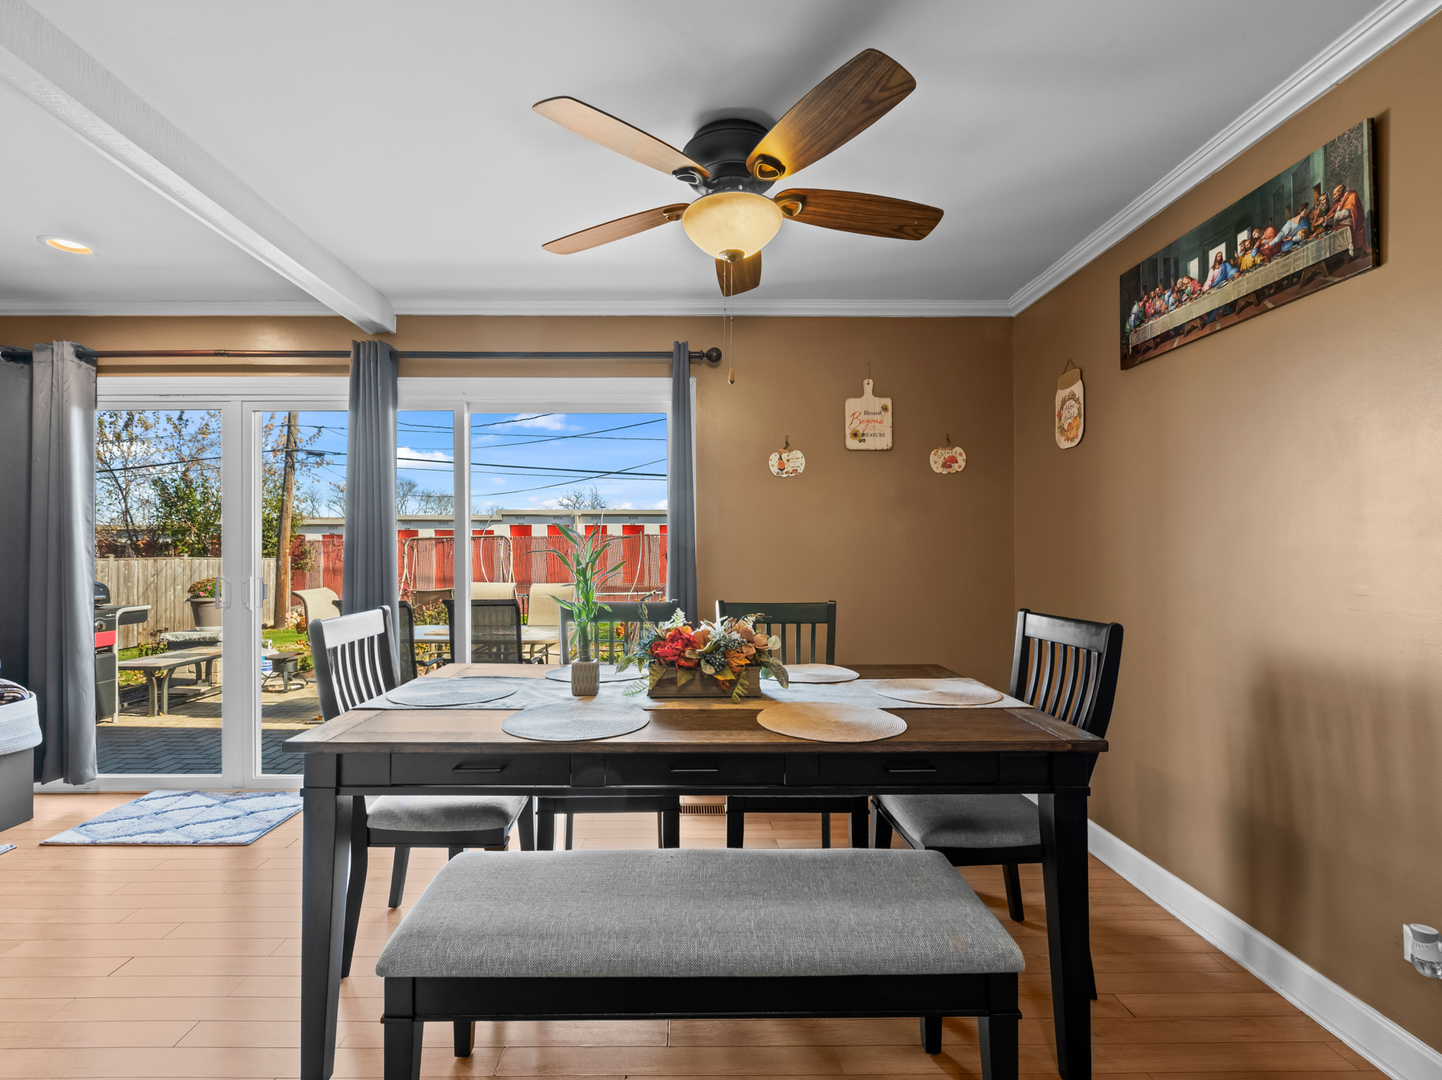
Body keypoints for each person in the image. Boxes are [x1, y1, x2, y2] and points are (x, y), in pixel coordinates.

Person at [1326, 182, 1368, 251]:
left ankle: (1345, 252)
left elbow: (1347, 213)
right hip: (1338, 226)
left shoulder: (1351, 196)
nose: (1333, 196)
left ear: (1340, 192)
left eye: (1335, 194)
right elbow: (1332, 217)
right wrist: (1325, 219)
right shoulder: (1338, 202)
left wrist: (1335, 215)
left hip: (1349, 225)